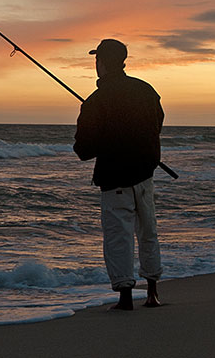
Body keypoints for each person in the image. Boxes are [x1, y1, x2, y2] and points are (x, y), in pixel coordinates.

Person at [73, 39, 163, 310]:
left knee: (118, 237)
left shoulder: (95, 101)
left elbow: (83, 149)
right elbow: (157, 123)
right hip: (145, 174)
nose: (96, 64)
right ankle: (152, 292)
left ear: (101, 62)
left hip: (115, 179)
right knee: (148, 232)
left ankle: (125, 297)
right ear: (122, 61)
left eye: (97, 59)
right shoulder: (146, 90)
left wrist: (105, 140)